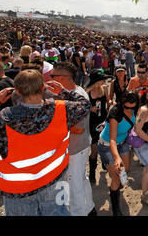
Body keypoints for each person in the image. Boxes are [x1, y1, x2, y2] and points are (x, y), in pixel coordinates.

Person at [0, 69, 91, 216]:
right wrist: (64, 92)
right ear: (43, 88)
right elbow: (85, 104)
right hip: (53, 183)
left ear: (16, 91)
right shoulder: (61, 110)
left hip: (18, 193)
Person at [51, 62, 96, 216]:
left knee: (74, 185)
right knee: (80, 180)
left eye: (52, 76)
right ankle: (89, 208)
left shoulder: (77, 96)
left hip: (75, 149)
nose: (48, 79)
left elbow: (79, 128)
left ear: (62, 78)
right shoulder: (74, 93)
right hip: (77, 147)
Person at [98, 91, 139, 216]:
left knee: (126, 169)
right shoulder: (115, 114)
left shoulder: (134, 109)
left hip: (123, 142)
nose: (129, 110)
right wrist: (116, 158)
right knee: (116, 177)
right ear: (122, 104)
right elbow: (112, 139)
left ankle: (108, 166)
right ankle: (115, 207)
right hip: (107, 145)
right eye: (127, 107)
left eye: (132, 108)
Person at [86, 69, 112, 184]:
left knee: (105, 144)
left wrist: (110, 104)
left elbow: (108, 100)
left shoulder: (104, 88)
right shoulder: (86, 92)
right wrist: (89, 109)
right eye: (102, 79)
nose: (104, 81)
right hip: (92, 123)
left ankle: (104, 163)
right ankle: (92, 174)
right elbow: (81, 108)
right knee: (94, 149)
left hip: (103, 121)